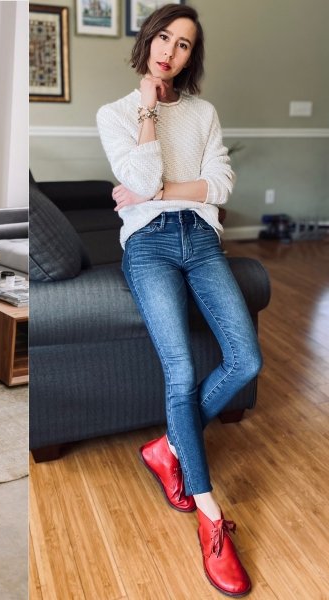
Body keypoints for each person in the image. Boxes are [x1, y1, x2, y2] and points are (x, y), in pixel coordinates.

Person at [97, 4, 261, 597]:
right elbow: (136, 173)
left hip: (202, 239)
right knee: (182, 371)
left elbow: (219, 185)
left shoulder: (203, 113)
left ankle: (168, 445)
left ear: (192, 56)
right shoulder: (115, 113)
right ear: (147, 42)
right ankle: (212, 521)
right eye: (163, 37)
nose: (170, 50)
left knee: (246, 361)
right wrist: (147, 103)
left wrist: (161, 190)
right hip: (148, 245)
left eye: (184, 44)